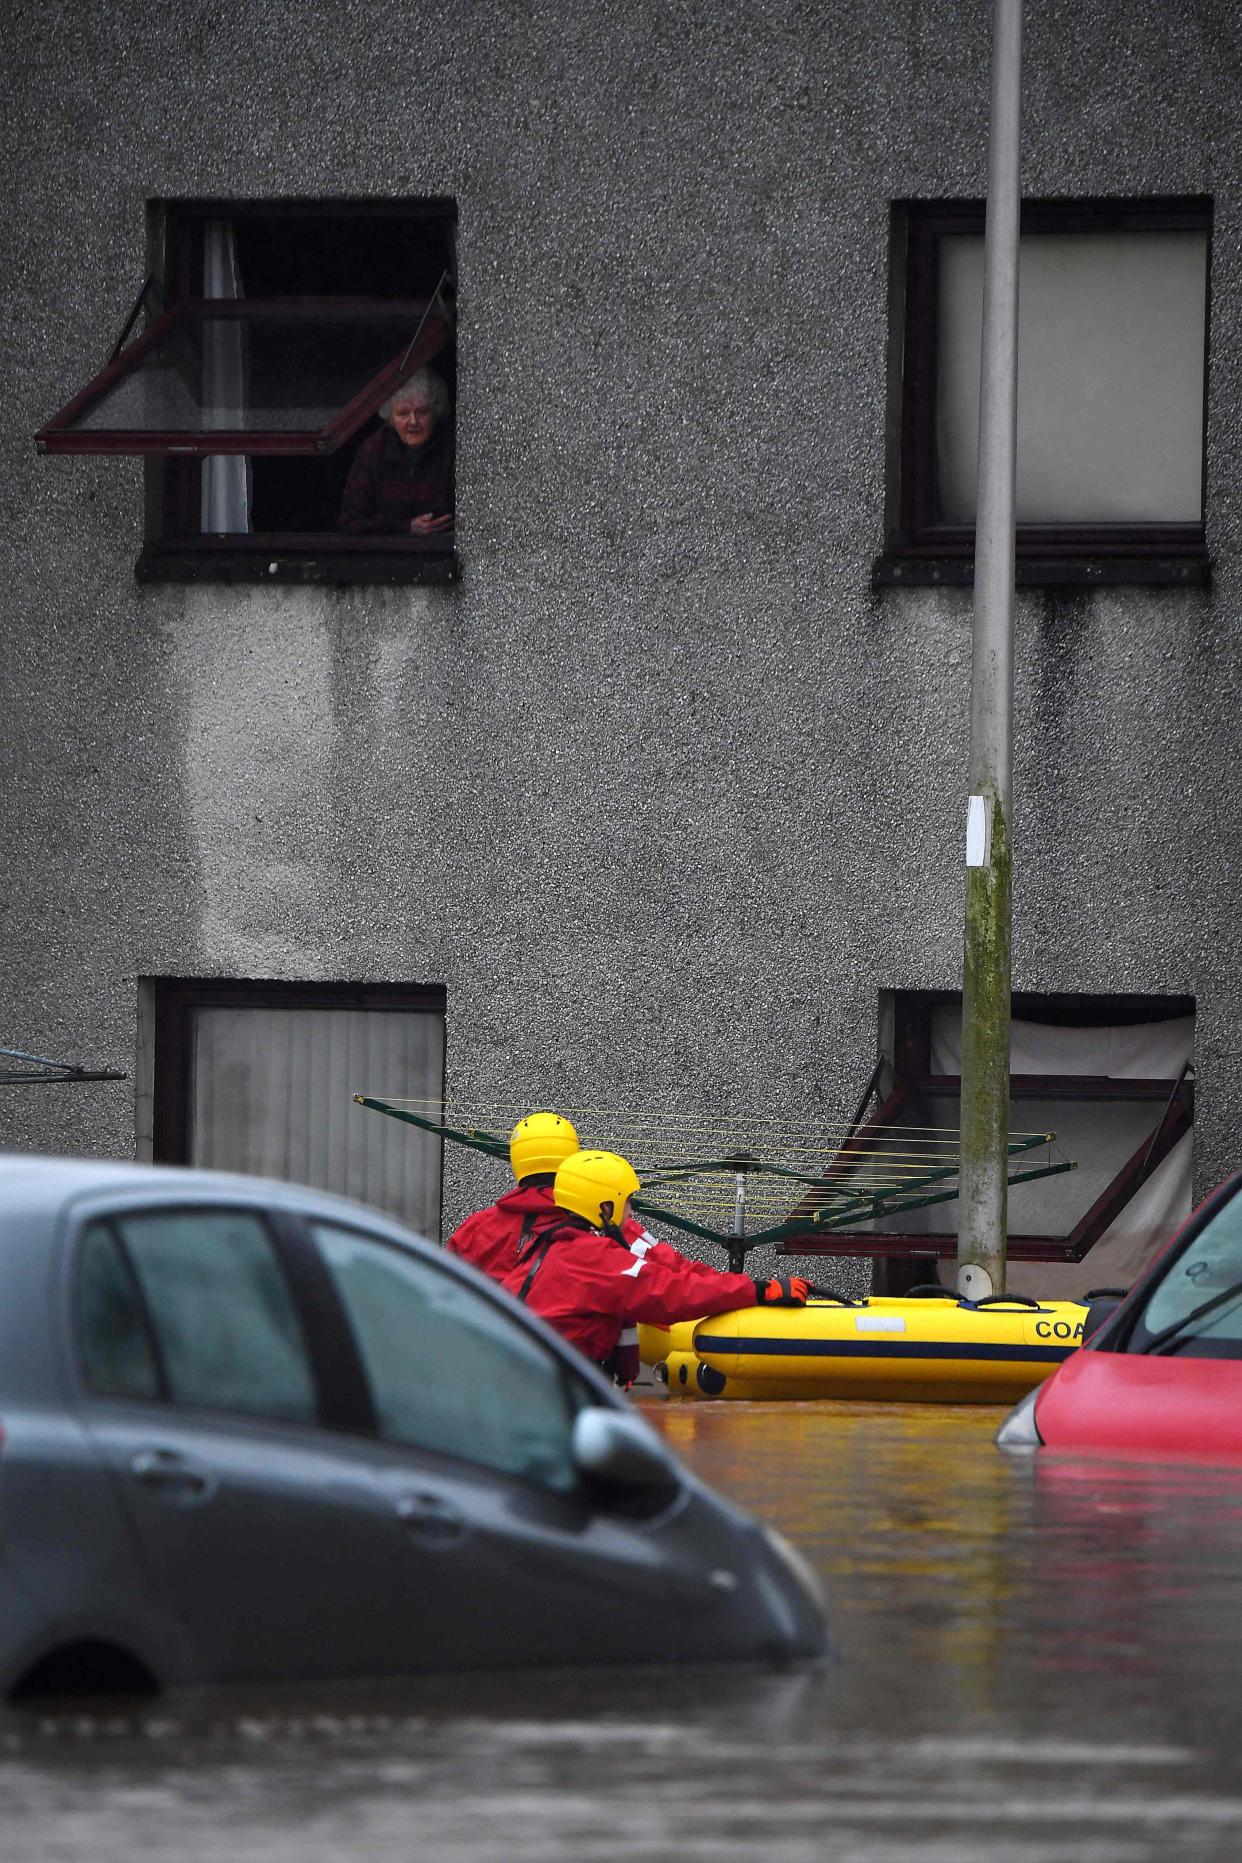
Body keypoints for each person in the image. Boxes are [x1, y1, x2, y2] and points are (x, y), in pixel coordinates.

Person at [499, 1148, 809, 1385]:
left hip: (524, 1378)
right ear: (605, 1208)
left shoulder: (549, 1245)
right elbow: (668, 1293)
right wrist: (757, 1290)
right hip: (553, 1385)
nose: (630, 1211)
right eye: (627, 1201)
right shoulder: (592, 1257)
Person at [446, 1111, 578, 1281]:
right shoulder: (591, 1230)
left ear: (517, 1158)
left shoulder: (477, 1227)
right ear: (571, 1160)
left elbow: (442, 1288)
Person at [339, 367, 454, 536]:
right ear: (390, 418)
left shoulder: (451, 447)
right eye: (403, 414)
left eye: (422, 412)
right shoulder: (374, 450)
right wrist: (405, 527)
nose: (413, 422)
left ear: (435, 412)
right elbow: (349, 522)